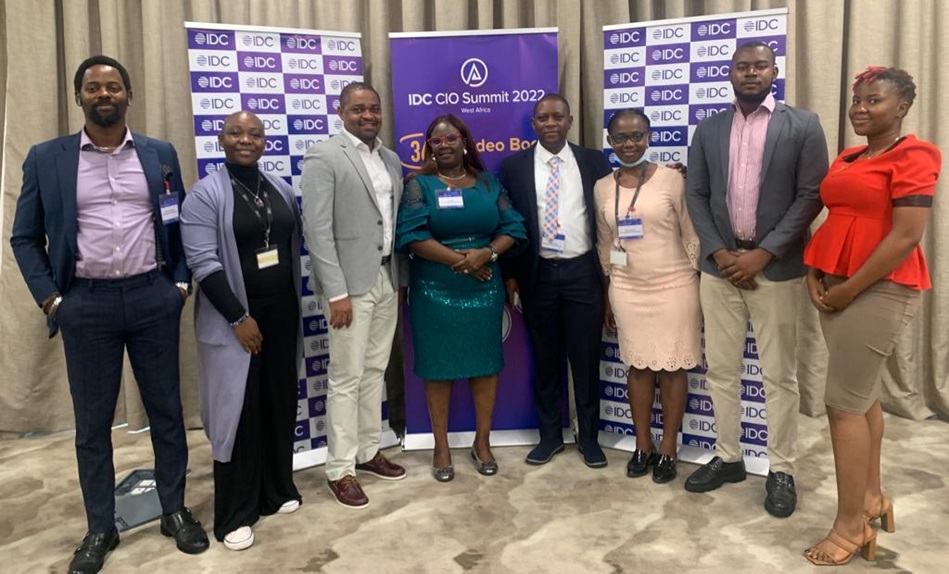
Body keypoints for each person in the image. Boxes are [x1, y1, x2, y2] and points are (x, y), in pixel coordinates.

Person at [9, 55, 208, 574]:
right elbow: (25, 237)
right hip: (85, 305)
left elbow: (178, 221)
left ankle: (174, 510)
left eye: (113, 86)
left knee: (166, 412)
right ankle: (100, 526)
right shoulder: (46, 158)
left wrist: (180, 284)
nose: (104, 94)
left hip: (152, 299)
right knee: (92, 425)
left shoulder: (159, 153)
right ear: (78, 97)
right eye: (93, 87)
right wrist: (52, 299)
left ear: (128, 95)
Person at [802, 67, 941, 566]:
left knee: (842, 405)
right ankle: (871, 499)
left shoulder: (916, 155)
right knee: (862, 400)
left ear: (901, 106)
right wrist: (815, 274)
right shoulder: (849, 156)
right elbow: (836, 219)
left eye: (873, 100)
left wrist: (849, 290)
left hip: (879, 289)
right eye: (856, 100)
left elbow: (906, 235)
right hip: (834, 287)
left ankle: (849, 527)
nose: (860, 108)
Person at [684, 41, 828, 517]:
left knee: (779, 376)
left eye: (759, 66)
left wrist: (762, 254)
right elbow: (697, 196)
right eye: (742, 66)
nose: (750, 73)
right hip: (719, 270)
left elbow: (811, 196)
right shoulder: (709, 128)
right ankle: (728, 457)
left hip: (778, 270)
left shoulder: (802, 125)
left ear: (773, 71)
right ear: (729, 73)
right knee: (721, 370)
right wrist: (723, 254)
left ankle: (782, 467)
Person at [180, 111, 303, 550]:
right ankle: (235, 512)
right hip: (235, 321)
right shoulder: (204, 195)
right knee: (239, 414)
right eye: (236, 132)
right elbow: (203, 264)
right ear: (222, 139)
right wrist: (238, 317)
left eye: (254, 133)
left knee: (278, 402)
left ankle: (275, 490)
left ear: (264, 140)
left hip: (282, 313)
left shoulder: (279, 188)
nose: (245, 139)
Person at [396, 114, 526, 482]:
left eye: (451, 138)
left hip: (485, 284)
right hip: (435, 287)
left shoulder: (488, 183)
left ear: (465, 141)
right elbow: (411, 236)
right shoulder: (418, 185)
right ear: (429, 147)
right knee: (438, 367)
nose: (445, 145)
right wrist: (463, 261)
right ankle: (441, 446)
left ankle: (481, 442)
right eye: (436, 141)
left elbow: (513, 226)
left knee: (485, 364)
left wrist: (487, 255)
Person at [301, 82, 407, 509]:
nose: (368, 115)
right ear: (341, 111)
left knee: (375, 370)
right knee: (345, 378)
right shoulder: (324, 155)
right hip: (349, 286)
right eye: (358, 109)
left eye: (374, 109)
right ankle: (339, 468)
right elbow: (318, 230)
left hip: (386, 277)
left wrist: (397, 280)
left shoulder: (391, 159)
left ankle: (367, 451)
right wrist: (336, 292)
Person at [499, 94, 614, 468]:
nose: (550, 123)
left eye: (557, 117)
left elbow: (619, 196)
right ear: (533, 124)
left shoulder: (594, 160)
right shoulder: (514, 166)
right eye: (543, 117)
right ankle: (549, 436)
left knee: (585, 359)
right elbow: (508, 223)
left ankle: (589, 437)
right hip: (538, 274)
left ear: (570, 121)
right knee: (545, 360)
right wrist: (511, 274)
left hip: (583, 272)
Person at [594, 109, 700, 483]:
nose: (629, 144)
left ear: (649, 137)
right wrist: (608, 294)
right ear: (610, 142)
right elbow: (606, 243)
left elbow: (691, 233)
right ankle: (643, 444)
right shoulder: (602, 187)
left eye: (637, 136)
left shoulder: (673, 179)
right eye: (620, 138)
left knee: (672, 368)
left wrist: (700, 282)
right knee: (638, 367)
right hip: (626, 288)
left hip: (675, 284)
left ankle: (669, 447)